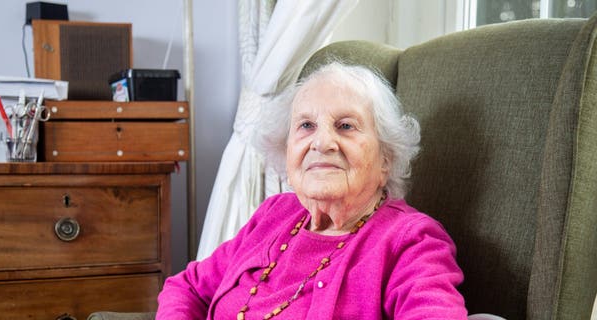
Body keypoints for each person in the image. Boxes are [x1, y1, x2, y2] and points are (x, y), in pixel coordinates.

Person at [156, 62, 468, 319]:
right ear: (287, 148)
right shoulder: (275, 213)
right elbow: (188, 288)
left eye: (345, 125)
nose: (321, 143)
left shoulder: (411, 241)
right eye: (306, 125)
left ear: (385, 157)